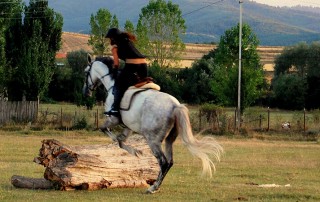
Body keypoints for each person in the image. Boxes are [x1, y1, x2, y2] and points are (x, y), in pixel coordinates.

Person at [105, 28, 148, 117]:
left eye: (110, 39)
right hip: (144, 65)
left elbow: (116, 63)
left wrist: (115, 72)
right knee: (143, 84)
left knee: (118, 85)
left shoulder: (115, 48)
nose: (109, 41)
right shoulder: (128, 41)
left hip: (132, 64)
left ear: (113, 38)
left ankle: (115, 108)